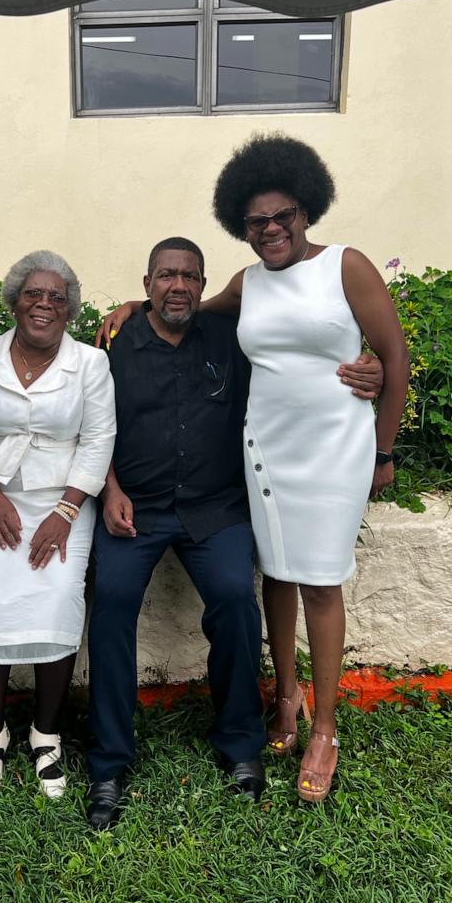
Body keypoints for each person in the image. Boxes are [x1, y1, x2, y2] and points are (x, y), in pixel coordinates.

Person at [85, 237, 384, 831]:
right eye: (166, 276)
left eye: (190, 277)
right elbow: (92, 425)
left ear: (203, 285)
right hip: (134, 507)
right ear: (147, 282)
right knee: (111, 603)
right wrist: (109, 488)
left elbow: (300, 366)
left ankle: (242, 743)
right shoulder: (113, 346)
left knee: (236, 604)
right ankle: (109, 762)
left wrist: (366, 367)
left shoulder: (232, 337)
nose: (179, 287)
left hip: (212, 510)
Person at [207, 133, 408, 802]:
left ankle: (324, 728)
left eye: (282, 216)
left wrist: (383, 448)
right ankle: (286, 698)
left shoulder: (346, 267)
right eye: (256, 221)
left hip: (334, 451)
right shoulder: (249, 283)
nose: (270, 229)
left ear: (307, 210)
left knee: (320, 581)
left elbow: (394, 358)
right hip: (266, 446)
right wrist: (132, 309)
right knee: (278, 572)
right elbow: (189, 314)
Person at [0, 251, 115, 806]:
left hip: (65, 502)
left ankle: (45, 734)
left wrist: (67, 511)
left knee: (58, 602)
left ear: (70, 308)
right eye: (34, 293)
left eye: (56, 297)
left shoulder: (91, 364)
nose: (43, 304)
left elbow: (99, 439)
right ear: (15, 300)